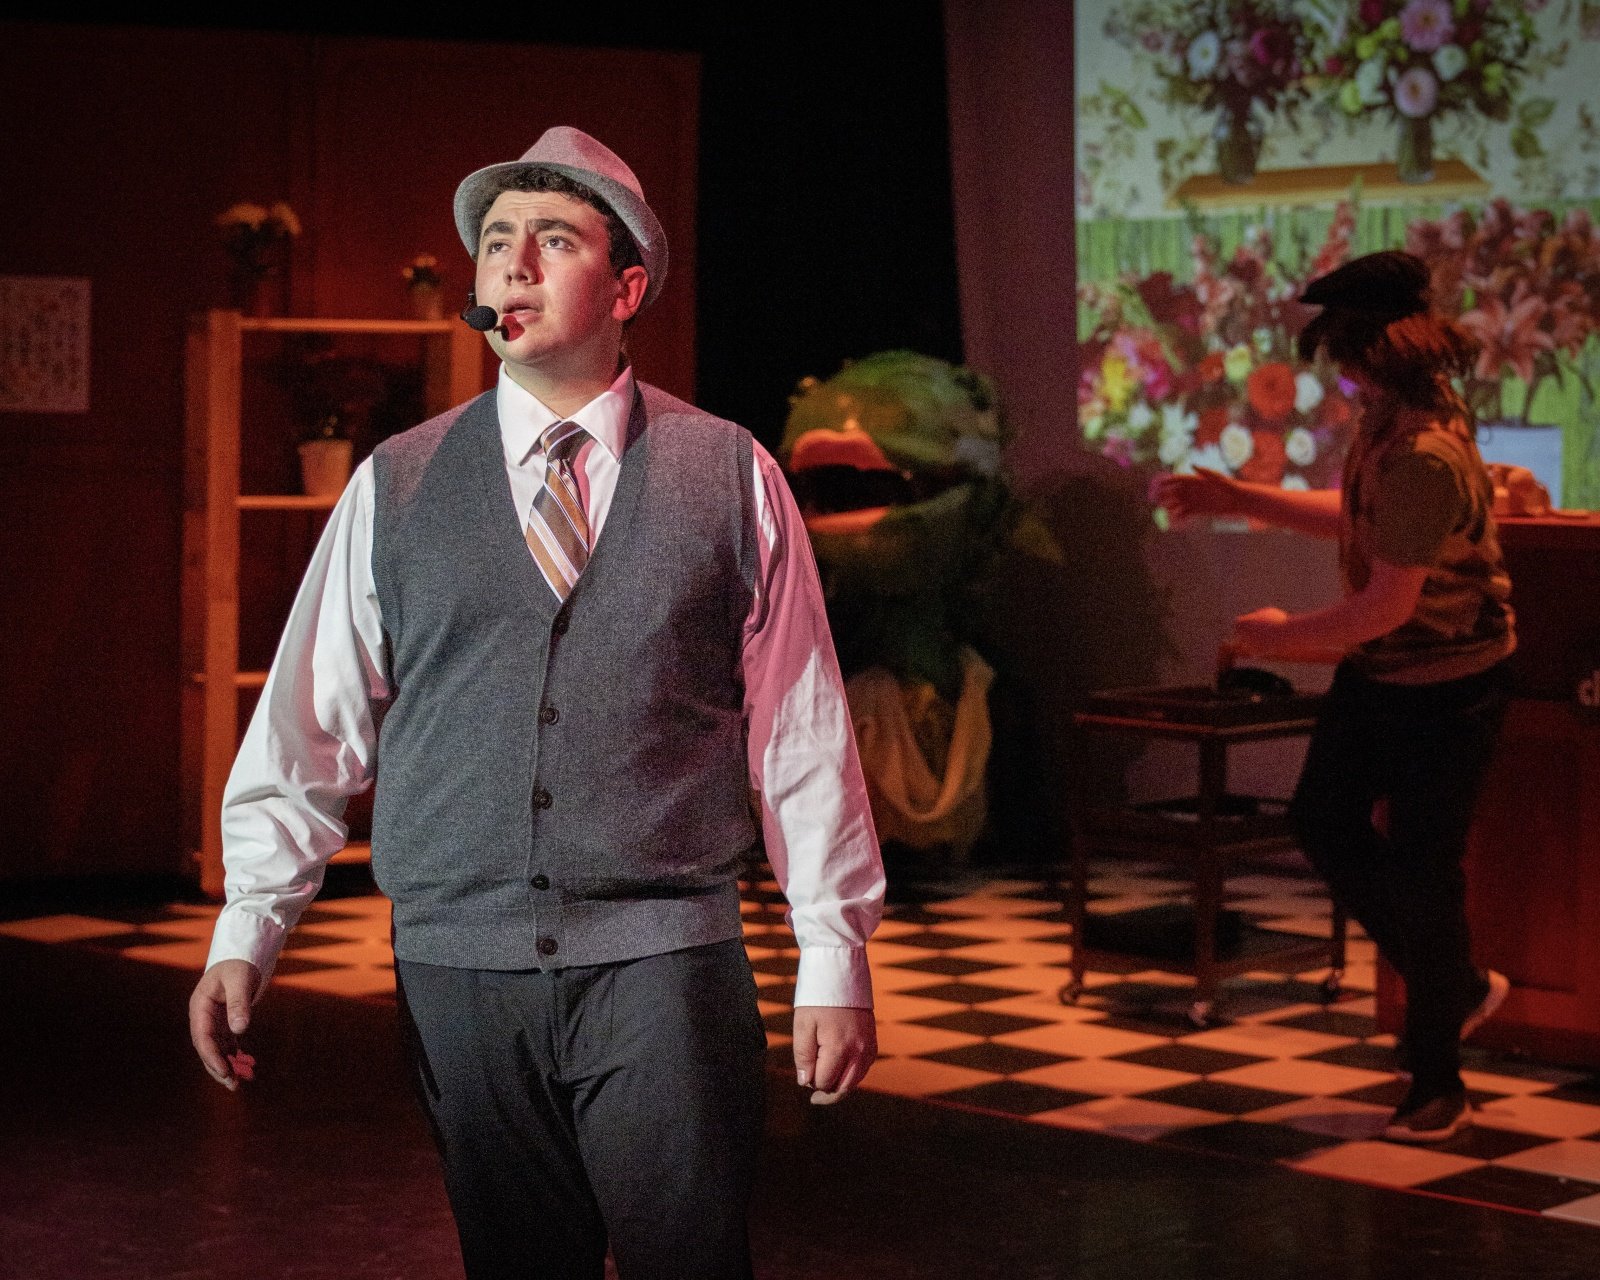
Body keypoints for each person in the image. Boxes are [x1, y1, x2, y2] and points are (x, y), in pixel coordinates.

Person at [188, 125, 885, 1278]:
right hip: (459, 963)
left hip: (663, 955)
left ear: (625, 286)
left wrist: (832, 955)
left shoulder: (730, 473)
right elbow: (310, 727)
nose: (509, 263)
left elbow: (802, 731)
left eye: (549, 239)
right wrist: (247, 931)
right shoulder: (396, 484)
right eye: (495, 241)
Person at [1154, 249, 1515, 1143]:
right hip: (1387, 672)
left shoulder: (1426, 450)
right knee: (1323, 817)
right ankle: (1456, 986)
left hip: (1451, 687)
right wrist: (1241, 495)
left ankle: (1438, 1084)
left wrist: (1271, 635)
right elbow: (1365, 519)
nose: (1341, 377)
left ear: (1374, 353)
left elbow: (1386, 600)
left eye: (1345, 357)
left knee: (1427, 873)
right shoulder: (1397, 421)